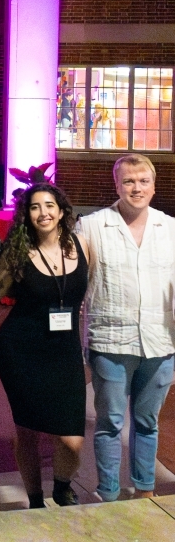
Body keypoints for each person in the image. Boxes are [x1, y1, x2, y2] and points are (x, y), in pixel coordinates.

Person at [76, 154, 175, 502]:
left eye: (143, 181)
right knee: (110, 423)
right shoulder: (91, 226)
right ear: (116, 185)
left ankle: (145, 492)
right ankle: (108, 493)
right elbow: (74, 279)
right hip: (111, 340)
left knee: (148, 423)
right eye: (129, 181)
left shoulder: (171, 228)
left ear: (153, 185)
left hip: (159, 342)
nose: (137, 188)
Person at [0, 184, 90, 508]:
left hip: (65, 351)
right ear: (27, 214)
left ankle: (61, 486)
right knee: (28, 431)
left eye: (49, 205)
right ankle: (35, 499)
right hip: (22, 350)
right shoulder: (17, 252)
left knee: (71, 440)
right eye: (35, 207)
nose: (43, 213)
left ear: (62, 211)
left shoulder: (82, 246)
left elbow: (88, 298)